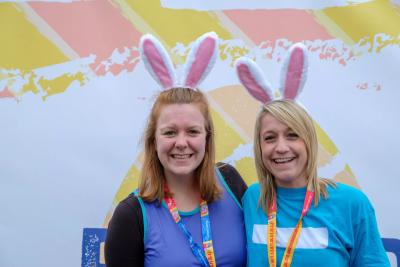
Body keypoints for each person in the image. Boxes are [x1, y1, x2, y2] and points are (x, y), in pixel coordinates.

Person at [235, 44, 390, 266]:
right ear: (259, 147)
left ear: (309, 141)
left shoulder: (351, 204)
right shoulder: (253, 200)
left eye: (292, 135)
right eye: (270, 138)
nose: (280, 147)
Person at [105, 33, 247, 267]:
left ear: (206, 138)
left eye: (192, 131)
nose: (181, 143)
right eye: (170, 132)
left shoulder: (231, 182)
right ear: (154, 140)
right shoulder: (131, 215)